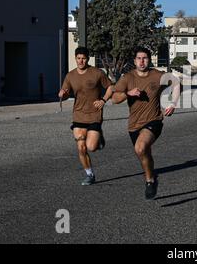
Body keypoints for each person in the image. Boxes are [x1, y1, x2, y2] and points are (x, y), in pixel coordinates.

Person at [112, 48, 180, 200]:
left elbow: (176, 83)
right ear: (134, 61)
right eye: (139, 58)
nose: (142, 61)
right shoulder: (128, 78)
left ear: (149, 60)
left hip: (154, 120)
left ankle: (149, 181)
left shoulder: (157, 75)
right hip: (134, 125)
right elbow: (114, 98)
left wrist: (173, 103)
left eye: (145, 58)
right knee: (144, 153)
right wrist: (127, 93)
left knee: (140, 147)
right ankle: (152, 177)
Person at [58, 47, 114, 185]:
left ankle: (98, 136)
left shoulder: (97, 73)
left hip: (94, 115)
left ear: (87, 59)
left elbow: (110, 87)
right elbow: (64, 94)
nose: (81, 61)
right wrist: (62, 95)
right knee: (81, 147)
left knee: (91, 147)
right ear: (75, 58)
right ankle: (89, 174)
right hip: (78, 115)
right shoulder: (70, 76)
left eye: (83, 58)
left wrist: (103, 100)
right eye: (78, 58)